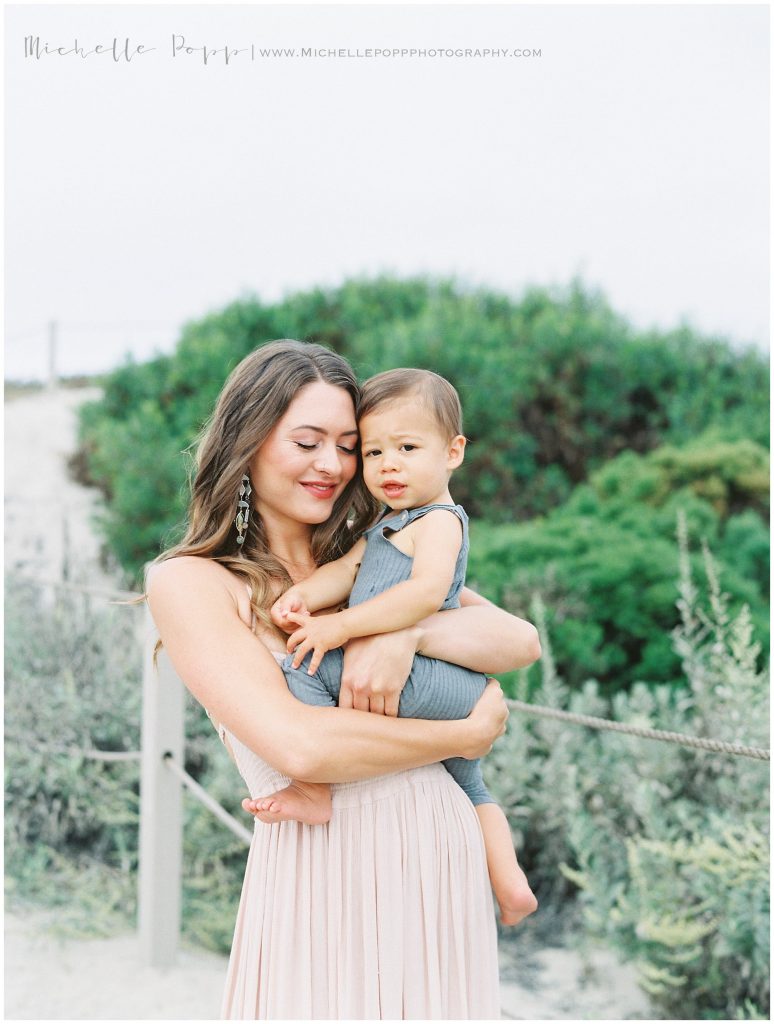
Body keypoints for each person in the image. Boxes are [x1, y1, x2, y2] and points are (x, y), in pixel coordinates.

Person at [145, 339, 542, 1020]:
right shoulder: (192, 583)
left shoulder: (379, 552)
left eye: (348, 445)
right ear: (248, 442)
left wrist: (403, 634)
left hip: (439, 863)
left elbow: (517, 640)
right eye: (306, 442)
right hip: (320, 878)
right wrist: (465, 731)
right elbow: (302, 749)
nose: (332, 465)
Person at [252, 367, 537, 928]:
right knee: (470, 780)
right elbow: (343, 569)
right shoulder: (386, 525)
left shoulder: (439, 523)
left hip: (426, 679)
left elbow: (428, 593)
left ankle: (314, 791)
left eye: (407, 447)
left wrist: (340, 628)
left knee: (302, 666)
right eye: (376, 451)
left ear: (453, 452)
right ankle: (512, 885)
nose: (388, 465)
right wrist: (302, 597)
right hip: (440, 687)